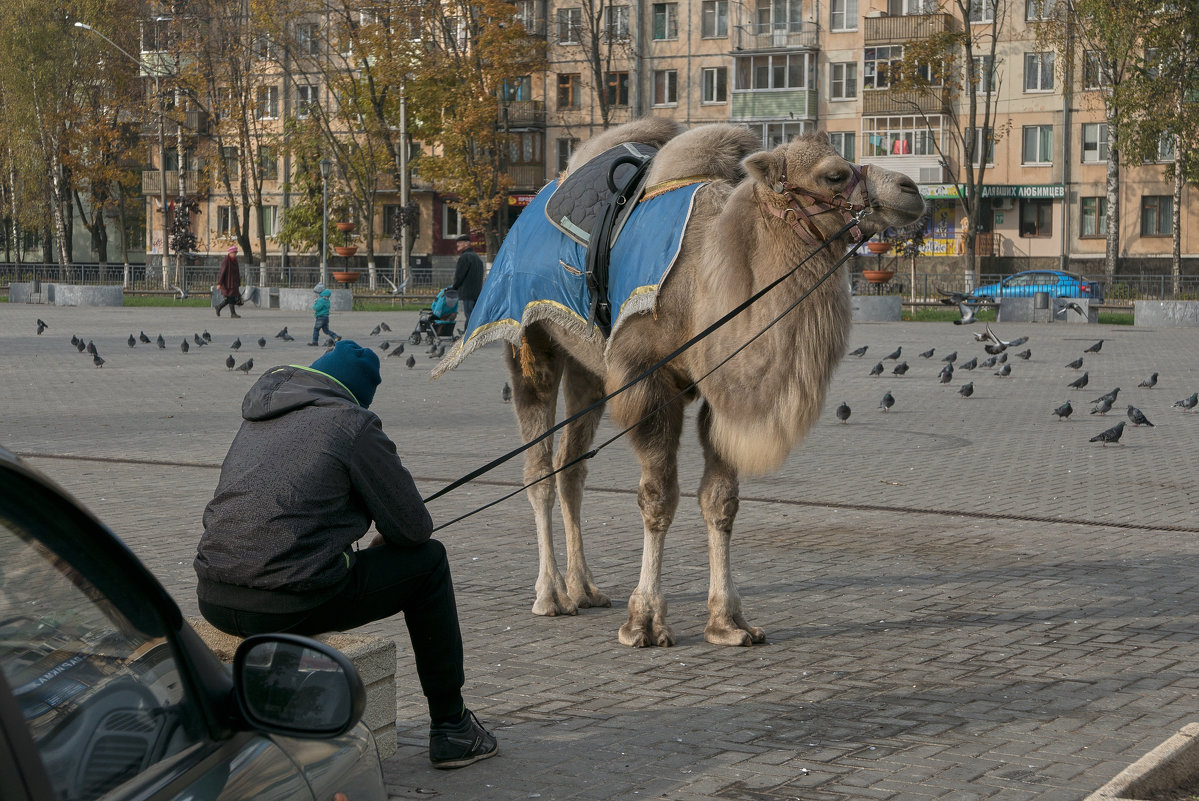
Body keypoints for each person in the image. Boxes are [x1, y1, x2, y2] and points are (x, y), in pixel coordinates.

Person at [194, 340, 498, 769]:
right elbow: (414, 528)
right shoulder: (351, 423)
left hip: (215, 597)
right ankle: (452, 727)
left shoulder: (257, 416)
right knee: (429, 563)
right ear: (355, 394)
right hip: (288, 602)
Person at [450, 234, 484, 332]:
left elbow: (459, 275)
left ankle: (469, 334)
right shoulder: (477, 257)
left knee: (469, 314)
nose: (457, 246)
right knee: (474, 314)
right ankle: (469, 332)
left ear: (466, 243)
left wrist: (454, 287)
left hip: (467, 292)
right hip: (477, 292)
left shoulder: (464, 257)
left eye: (459, 243)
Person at [215, 245, 242, 318]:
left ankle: (219, 307)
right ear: (230, 253)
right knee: (230, 298)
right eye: (234, 253)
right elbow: (222, 272)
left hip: (234, 283)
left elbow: (237, 272)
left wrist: (238, 282)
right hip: (227, 283)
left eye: (236, 253)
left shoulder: (235, 260)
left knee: (230, 298)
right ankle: (232, 313)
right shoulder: (226, 261)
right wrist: (219, 283)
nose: (235, 254)